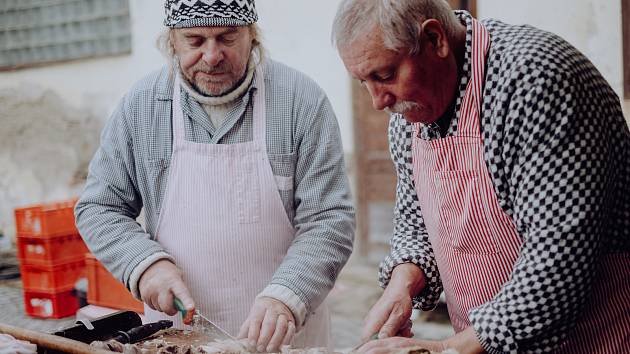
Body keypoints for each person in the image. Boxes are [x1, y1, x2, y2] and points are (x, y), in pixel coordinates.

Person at [333, 0, 630, 353]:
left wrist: (443, 349)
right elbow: (416, 220)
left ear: (434, 40)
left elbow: (557, 263)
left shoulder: (535, 80)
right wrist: (403, 282)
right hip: (480, 343)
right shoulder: (411, 111)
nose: (377, 102)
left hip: (594, 339)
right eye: (362, 81)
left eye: (384, 76)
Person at [75, 0, 355, 352]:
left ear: (252, 35)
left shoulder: (301, 101)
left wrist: (289, 295)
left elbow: (330, 218)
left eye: (227, 38)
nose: (212, 56)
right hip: (179, 338)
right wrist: (145, 266)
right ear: (171, 40)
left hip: (284, 338)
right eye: (195, 40)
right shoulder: (141, 108)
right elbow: (100, 207)